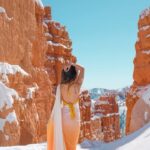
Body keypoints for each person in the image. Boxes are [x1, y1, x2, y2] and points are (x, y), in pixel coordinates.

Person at [47, 61, 84, 150]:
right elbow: (82, 69)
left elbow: (58, 103)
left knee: (64, 141)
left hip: (64, 117)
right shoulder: (77, 86)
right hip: (75, 118)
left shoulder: (61, 87)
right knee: (72, 144)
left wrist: (65, 68)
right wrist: (72, 64)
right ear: (74, 74)